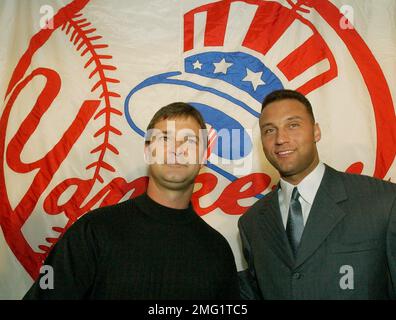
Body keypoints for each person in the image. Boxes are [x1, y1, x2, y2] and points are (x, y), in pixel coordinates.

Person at [24, 102, 240, 299]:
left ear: (203, 156)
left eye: (189, 141)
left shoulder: (217, 250)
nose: (177, 150)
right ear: (147, 152)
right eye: (165, 139)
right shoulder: (92, 231)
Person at [238, 89, 396, 300]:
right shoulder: (252, 223)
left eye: (293, 125)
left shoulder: (383, 201)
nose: (280, 138)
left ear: (316, 132)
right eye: (269, 130)